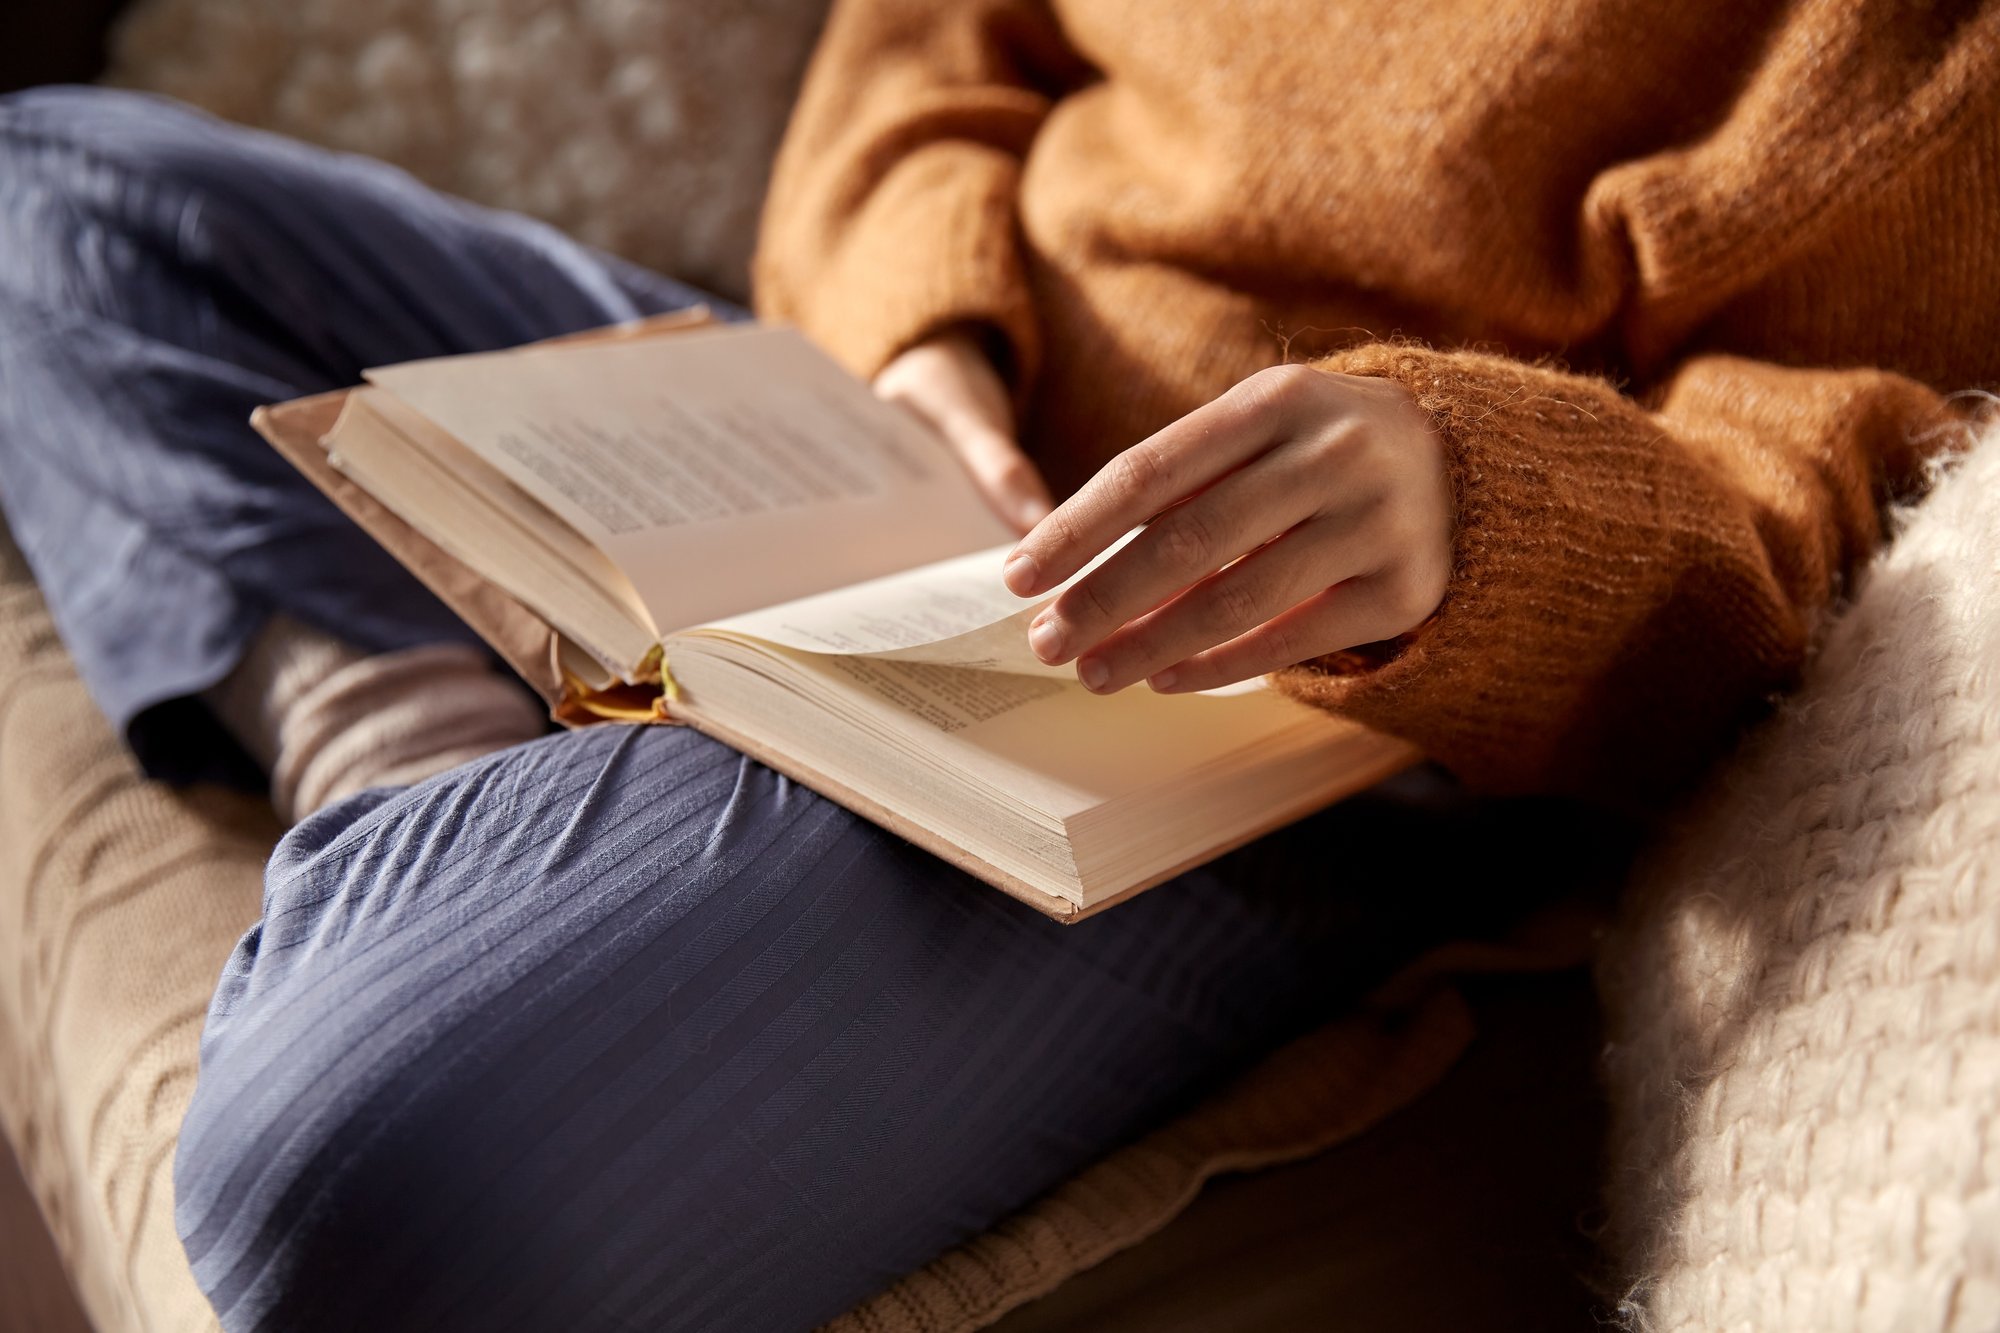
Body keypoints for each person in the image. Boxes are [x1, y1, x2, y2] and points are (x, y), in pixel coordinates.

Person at [0, 1, 1992, 1329]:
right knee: (55, 194)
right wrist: (919, 338)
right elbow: (937, 31)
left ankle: (500, 799)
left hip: (1269, 707)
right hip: (871, 442)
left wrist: (1473, 509)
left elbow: (1818, 501)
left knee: (333, 1168)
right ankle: (453, 787)